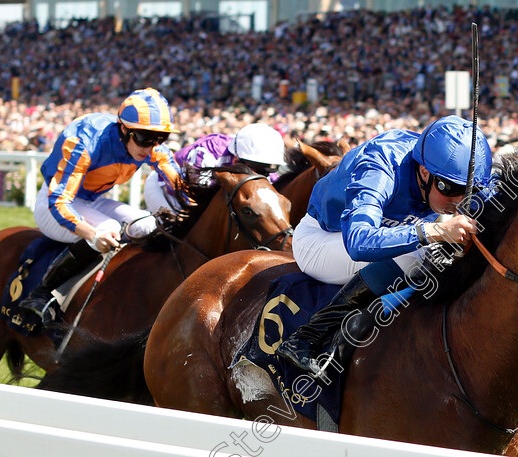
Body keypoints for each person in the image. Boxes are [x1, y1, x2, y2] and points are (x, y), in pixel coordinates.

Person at [276, 115, 492, 376]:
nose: (459, 200)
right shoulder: (380, 165)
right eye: (451, 189)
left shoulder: (444, 169)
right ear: (424, 172)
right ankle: (308, 337)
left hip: (383, 235)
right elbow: (358, 242)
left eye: (469, 192)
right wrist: (433, 230)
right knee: (419, 251)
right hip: (321, 239)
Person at [18, 88, 184, 324]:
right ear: (124, 128)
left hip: (92, 201)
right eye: (145, 138)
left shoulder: (150, 145)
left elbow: (180, 186)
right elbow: (60, 202)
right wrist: (92, 234)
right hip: (53, 205)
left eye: (160, 139)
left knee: (148, 225)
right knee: (109, 229)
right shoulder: (84, 142)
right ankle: (41, 294)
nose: (151, 147)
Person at [143, 123, 287, 213]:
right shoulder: (208, 154)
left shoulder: (267, 171)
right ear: (236, 160)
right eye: (255, 168)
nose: (258, 175)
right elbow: (192, 201)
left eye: (264, 170)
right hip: (166, 188)